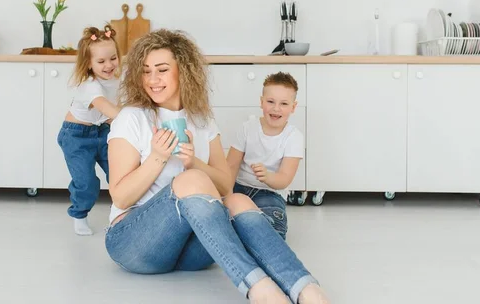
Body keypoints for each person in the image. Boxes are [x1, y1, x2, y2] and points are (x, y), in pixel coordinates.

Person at [104, 29, 329, 304]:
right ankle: (261, 290)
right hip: (133, 243)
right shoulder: (131, 118)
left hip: (187, 249)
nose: (153, 79)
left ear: (183, 71)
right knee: (192, 181)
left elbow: (224, 185)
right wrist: (158, 157)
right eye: (146, 71)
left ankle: (306, 289)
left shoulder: (200, 119)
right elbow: (121, 197)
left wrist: (192, 161)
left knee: (237, 199)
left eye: (162, 70)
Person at [57, 25, 121, 236]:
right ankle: (80, 214)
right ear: (89, 64)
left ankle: (121, 211)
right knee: (86, 182)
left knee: (120, 172)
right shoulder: (90, 85)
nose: (109, 65)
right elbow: (108, 109)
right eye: (101, 62)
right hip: (76, 136)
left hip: (102, 131)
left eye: (113, 58)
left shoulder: (117, 81)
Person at [226, 72, 303, 240]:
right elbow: (230, 167)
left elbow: (284, 179)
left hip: (269, 193)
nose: (276, 108)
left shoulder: (294, 137)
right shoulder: (246, 129)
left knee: (274, 233)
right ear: (261, 102)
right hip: (240, 188)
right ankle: (239, 227)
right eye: (270, 102)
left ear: (293, 107)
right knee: (221, 218)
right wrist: (226, 196)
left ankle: (250, 232)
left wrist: (267, 177)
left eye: (284, 103)